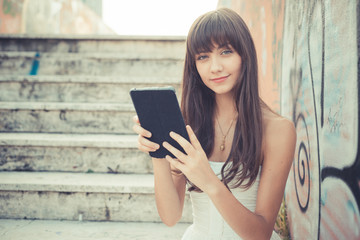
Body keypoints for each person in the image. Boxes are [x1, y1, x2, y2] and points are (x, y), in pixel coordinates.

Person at [132, 8, 296, 240]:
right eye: (203, 57)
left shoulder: (278, 130)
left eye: (226, 52)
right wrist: (157, 153)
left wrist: (209, 180)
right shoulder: (189, 123)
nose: (215, 67)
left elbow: (260, 234)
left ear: (244, 55)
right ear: (194, 66)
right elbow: (170, 217)